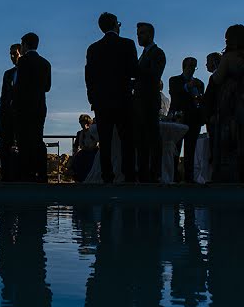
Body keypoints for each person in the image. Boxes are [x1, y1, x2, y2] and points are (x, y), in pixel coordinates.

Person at [85, 12, 139, 183]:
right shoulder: (127, 44)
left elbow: (89, 77)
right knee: (127, 141)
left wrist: (93, 99)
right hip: (123, 100)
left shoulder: (93, 48)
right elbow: (134, 71)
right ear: (116, 24)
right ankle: (128, 175)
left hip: (102, 102)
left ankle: (107, 176)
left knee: (105, 142)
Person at [210, 25, 244, 183]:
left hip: (231, 100)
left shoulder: (229, 57)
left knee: (229, 138)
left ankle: (228, 176)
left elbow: (217, 78)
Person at [14, 32, 52, 182]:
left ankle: (27, 174)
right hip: (40, 106)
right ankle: (42, 173)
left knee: (24, 141)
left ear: (24, 45)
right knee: (38, 139)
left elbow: (19, 86)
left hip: (24, 107)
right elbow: (47, 87)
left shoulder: (22, 62)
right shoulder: (46, 63)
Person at [134, 22, 166, 183]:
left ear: (150, 35)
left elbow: (153, 75)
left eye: (142, 33)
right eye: (138, 33)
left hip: (149, 101)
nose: (139, 36)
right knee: (142, 139)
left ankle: (154, 173)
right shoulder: (144, 55)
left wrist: (134, 70)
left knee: (152, 138)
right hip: (140, 102)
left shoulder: (157, 53)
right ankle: (144, 173)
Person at [169, 57, 205, 183]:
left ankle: (189, 178)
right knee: (175, 150)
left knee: (190, 150)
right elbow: (175, 93)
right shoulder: (174, 80)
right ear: (184, 66)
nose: (192, 69)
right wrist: (187, 87)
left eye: (194, 66)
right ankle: (173, 176)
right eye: (190, 65)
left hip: (193, 120)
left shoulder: (199, 83)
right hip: (178, 120)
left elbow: (201, 101)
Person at [0, 43, 22, 182]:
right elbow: (3, 95)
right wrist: (2, 113)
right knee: (5, 146)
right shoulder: (8, 74)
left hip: (21, 116)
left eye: (15, 54)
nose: (12, 57)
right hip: (7, 116)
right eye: (11, 54)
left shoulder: (27, 72)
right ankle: (6, 176)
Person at [71, 114, 99, 183]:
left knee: (92, 160)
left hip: (94, 151)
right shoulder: (80, 133)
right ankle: (79, 178)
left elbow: (97, 141)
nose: (82, 124)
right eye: (81, 123)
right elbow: (76, 145)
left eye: (83, 122)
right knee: (78, 159)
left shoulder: (93, 131)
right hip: (84, 151)